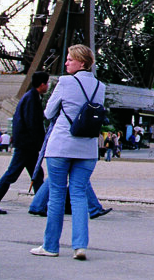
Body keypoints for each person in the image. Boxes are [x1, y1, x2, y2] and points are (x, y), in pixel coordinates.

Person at [31, 44, 103, 260]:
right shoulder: (100, 85)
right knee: (79, 195)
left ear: (81, 62)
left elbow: (49, 112)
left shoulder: (64, 82)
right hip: (88, 148)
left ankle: (50, 246)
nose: (66, 62)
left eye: (70, 59)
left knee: (56, 195)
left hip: (61, 145)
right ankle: (80, 246)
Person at [0, 71, 50, 213]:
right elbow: (32, 123)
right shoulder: (32, 99)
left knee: (36, 174)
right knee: (13, 174)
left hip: (27, 144)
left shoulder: (30, 97)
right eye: (47, 83)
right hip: (27, 145)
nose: (48, 86)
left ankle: (40, 205)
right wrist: (40, 142)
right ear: (42, 84)